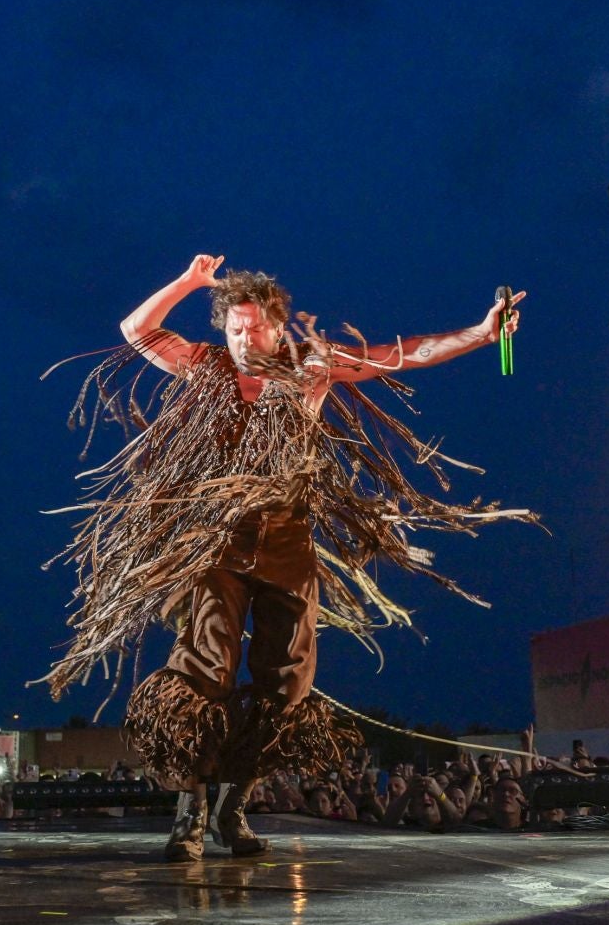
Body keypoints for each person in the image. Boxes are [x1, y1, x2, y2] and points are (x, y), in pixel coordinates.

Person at [42, 253, 537, 861]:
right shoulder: (206, 368)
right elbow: (135, 330)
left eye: (256, 327)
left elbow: (402, 354)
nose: (247, 338)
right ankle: (189, 817)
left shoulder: (312, 367)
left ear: (280, 326)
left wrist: (483, 334)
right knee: (205, 667)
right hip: (218, 537)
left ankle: (233, 808)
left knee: (288, 678)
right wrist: (190, 283)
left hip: (286, 538)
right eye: (235, 328)